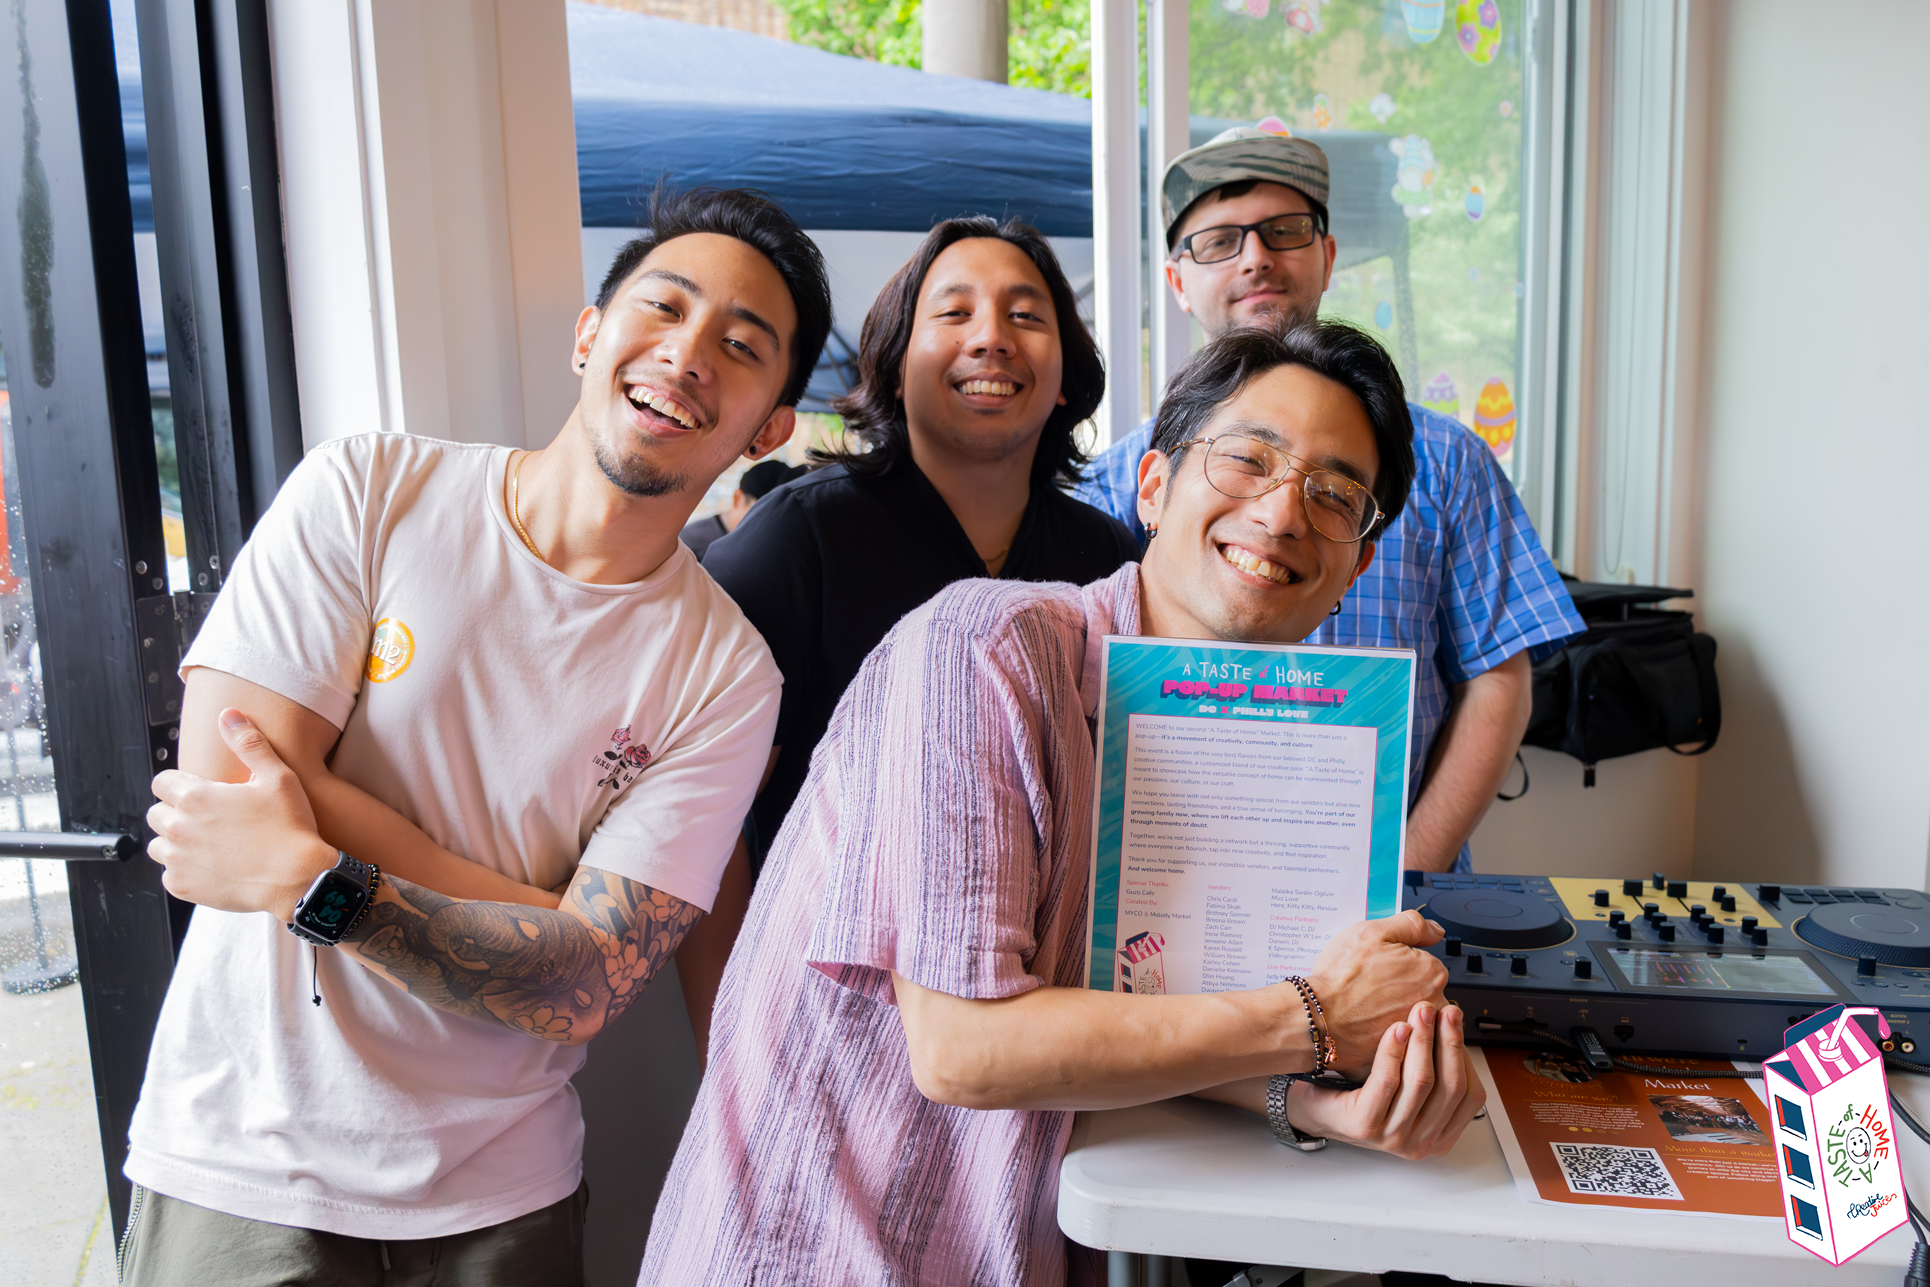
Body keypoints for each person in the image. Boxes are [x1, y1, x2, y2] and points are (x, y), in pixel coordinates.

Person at [641, 320, 1484, 1286]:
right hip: (821, 1254)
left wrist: (1312, 1102)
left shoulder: (1263, 741)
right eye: (1249, 458)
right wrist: (1320, 1013)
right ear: (1155, 488)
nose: (1285, 512)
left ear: (1356, 568)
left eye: (1335, 495)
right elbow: (965, 1046)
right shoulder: (986, 648)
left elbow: (1156, 1018)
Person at [122, 187, 833, 1284]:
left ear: (771, 425)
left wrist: (314, 867)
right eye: (663, 309)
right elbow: (223, 797)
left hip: (502, 1204)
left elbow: (581, 990)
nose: (688, 356)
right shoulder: (368, 490)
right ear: (591, 335)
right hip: (242, 1163)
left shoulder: (728, 675)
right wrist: (544, 916)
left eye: (741, 348)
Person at [1072, 126, 1582, 874]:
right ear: (1178, 281)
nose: (1256, 257)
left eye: (1285, 231)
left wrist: (1407, 870)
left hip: (1399, 895)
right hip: (1165, 894)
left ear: (1328, 255)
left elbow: (1499, 678)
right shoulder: (1117, 479)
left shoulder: (1447, 462)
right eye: (1218, 241)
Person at [702, 216, 1140, 876]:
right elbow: (707, 825)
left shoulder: (1103, 555)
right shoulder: (798, 538)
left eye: (1025, 316)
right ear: (897, 367)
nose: (991, 337)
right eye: (955, 312)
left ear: (1066, 382)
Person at [679, 457, 805, 559]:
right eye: (761, 511)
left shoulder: (770, 546)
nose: (767, 523)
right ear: (738, 498)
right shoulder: (688, 546)